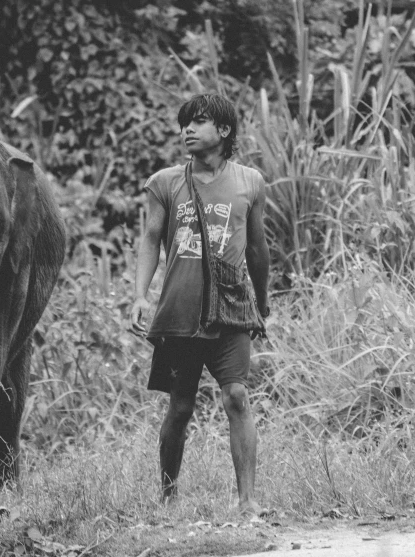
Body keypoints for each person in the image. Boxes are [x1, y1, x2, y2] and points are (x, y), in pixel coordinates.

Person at [130, 93, 270, 515]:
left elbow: (258, 251)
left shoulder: (250, 182)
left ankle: (247, 503)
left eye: (199, 121)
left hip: (231, 309)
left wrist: (261, 304)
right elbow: (151, 239)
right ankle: (169, 499)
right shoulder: (165, 182)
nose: (187, 129)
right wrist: (139, 295)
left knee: (237, 397)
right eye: (185, 122)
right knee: (180, 408)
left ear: (224, 131)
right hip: (180, 312)